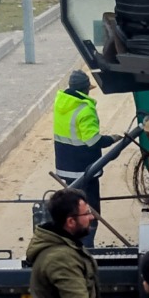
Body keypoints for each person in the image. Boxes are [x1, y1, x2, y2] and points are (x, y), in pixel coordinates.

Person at [52, 68, 116, 212]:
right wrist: (111, 139)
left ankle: (74, 233)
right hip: (85, 170)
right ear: (86, 89)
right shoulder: (85, 109)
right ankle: (88, 233)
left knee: (72, 209)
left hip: (66, 167)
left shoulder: (61, 103)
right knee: (90, 213)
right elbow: (93, 141)